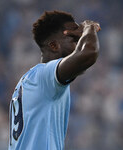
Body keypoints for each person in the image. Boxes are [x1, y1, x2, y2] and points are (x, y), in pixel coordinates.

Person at [8, 10, 100, 150]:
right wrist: (89, 27)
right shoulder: (46, 76)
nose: (78, 46)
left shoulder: (27, 81)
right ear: (54, 46)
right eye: (75, 40)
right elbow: (89, 53)